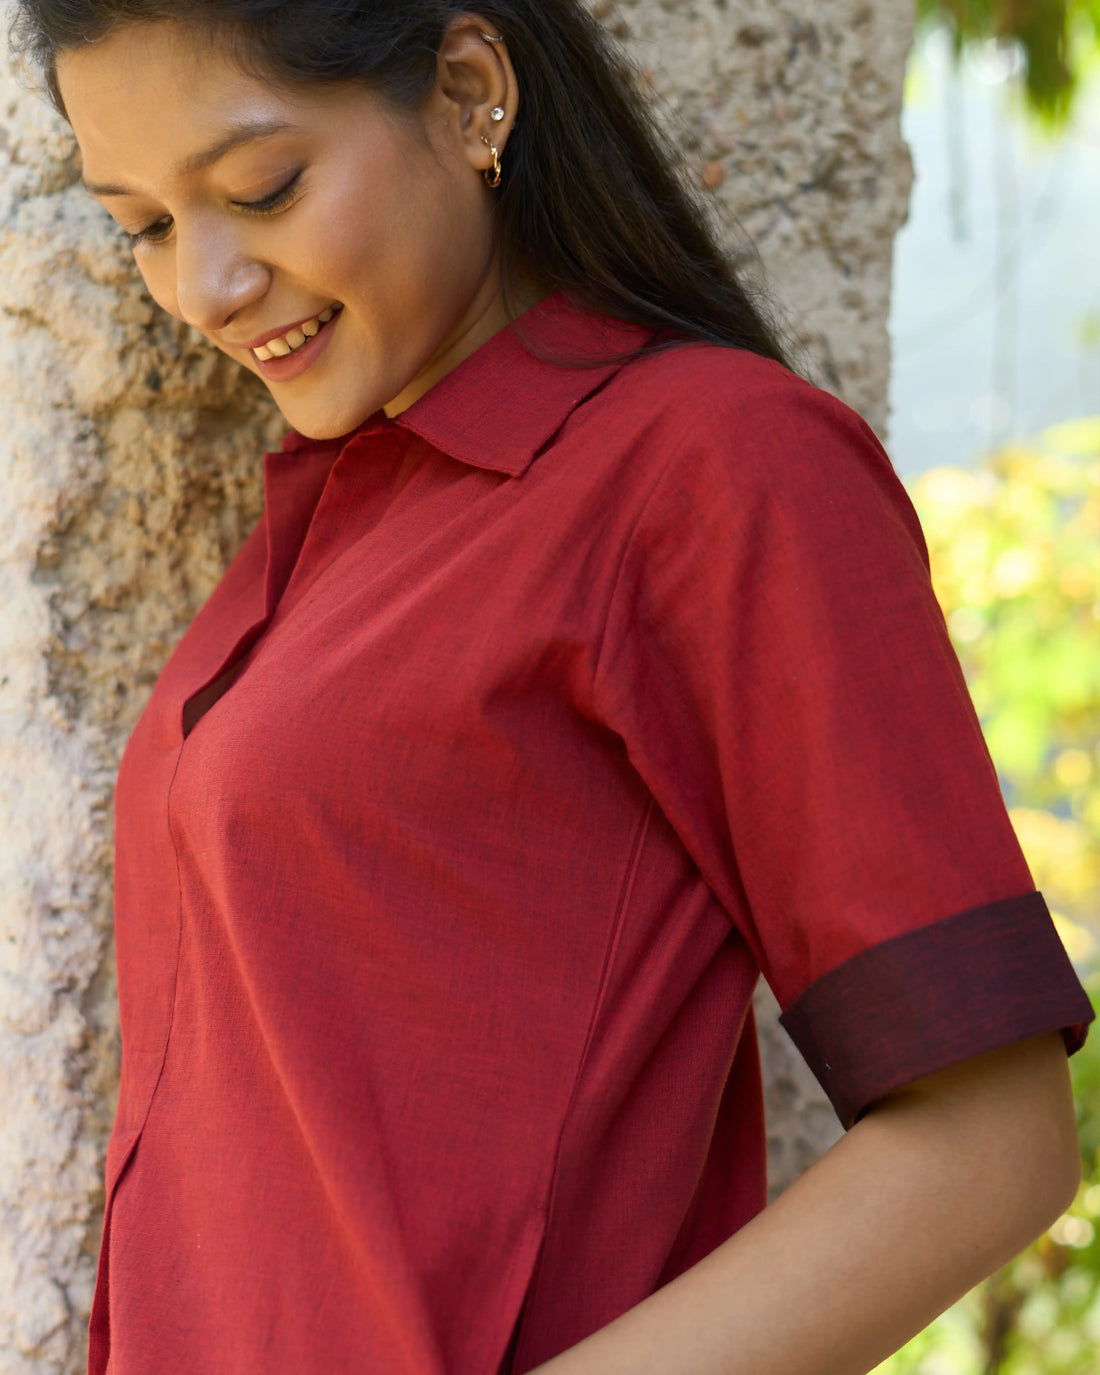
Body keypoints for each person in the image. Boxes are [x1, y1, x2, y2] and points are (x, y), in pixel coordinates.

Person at [11, 3, 1094, 1373]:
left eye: (260, 189)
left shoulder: (713, 470)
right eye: (145, 226)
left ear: (469, 92)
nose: (206, 288)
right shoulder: (333, 522)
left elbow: (991, 1144)